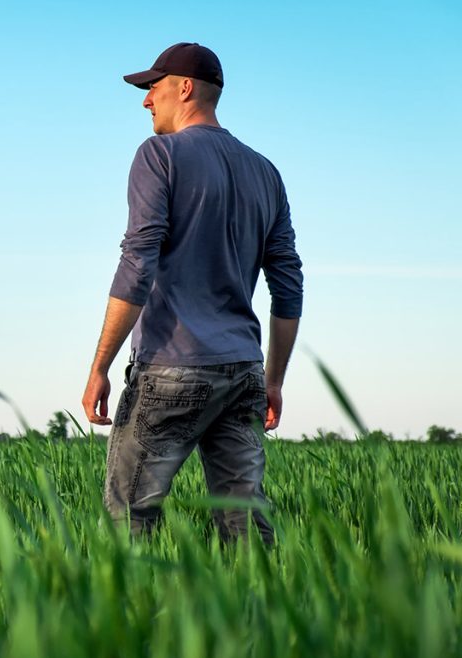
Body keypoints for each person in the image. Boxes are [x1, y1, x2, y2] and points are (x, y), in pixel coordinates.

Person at [81, 42, 303, 544]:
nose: (145, 101)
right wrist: (273, 380)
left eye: (152, 88)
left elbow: (138, 261)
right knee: (245, 526)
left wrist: (100, 367)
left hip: (171, 368)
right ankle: (261, 620)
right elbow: (287, 283)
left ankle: (133, 621)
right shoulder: (266, 173)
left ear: (184, 88)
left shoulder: (158, 155)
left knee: (129, 522)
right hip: (243, 371)